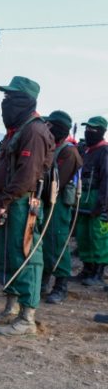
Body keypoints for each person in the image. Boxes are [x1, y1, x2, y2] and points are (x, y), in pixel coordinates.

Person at [0, 76, 54, 336]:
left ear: (25, 100)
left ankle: (27, 317)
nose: (6, 102)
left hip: (23, 202)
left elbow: (27, 174)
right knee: (10, 255)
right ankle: (11, 308)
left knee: (27, 257)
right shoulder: (19, 130)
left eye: (11, 97)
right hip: (11, 202)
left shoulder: (34, 131)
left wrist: (4, 200)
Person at [41, 111, 82, 303]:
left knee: (58, 243)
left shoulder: (68, 152)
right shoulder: (52, 147)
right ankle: (43, 280)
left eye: (50, 126)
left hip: (58, 206)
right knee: (45, 243)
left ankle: (61, 285)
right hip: (47, 202)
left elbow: (59, 181)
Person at [75, 116, 108, 288]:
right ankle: (86, 269)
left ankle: (98, 272)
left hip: (97, 198)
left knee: (98, 236)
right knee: (83, 234)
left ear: (102, 131)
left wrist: (102, 204)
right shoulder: (86, 151)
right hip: (84, 197)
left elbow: (107, 180)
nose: (88, 132)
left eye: (93, 130)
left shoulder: (105, 151)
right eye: (87, 129)